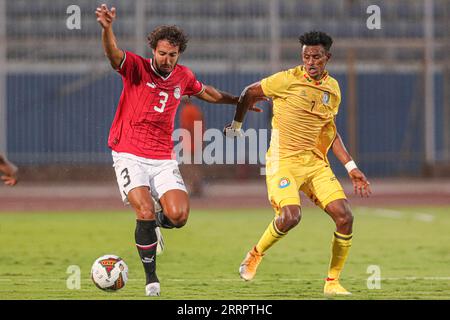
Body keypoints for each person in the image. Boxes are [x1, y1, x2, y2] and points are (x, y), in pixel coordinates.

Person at [95, 4, 262, 297]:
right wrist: (107, 28)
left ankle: (156, 225)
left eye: (173, 55)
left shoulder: (182, 76)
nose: (167, 59)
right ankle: (151, 280)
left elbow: (207, 92)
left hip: (162, 157)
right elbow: (112, 54)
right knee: (144, 210)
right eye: (162, 53)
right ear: (153, 51)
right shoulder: (136, 67)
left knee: (179, 217)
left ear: (178, 55)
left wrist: (238, 100)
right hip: (128, 153)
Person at [224, 31, 371, 296]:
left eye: (316, 57)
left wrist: (351, 167)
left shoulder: (333, 89)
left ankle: (332, 282)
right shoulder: (286, 80)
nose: (310, 61)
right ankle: (255, 254)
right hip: (283, 162)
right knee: (291, 216)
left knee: (345, 217)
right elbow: (248, 92)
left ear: (327, 57)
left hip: (314, 163)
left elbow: (329, 130)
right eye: (306, 56)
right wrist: (236, 126)